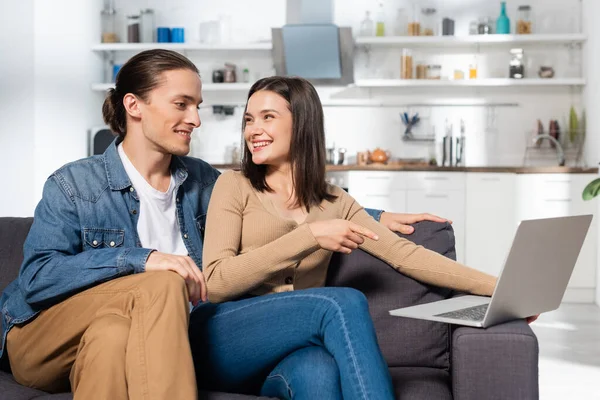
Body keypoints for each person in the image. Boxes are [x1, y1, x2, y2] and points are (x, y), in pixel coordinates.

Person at [0, 49, 448, 399]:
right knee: (163, 283)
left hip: (136, 335)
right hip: (47, 336)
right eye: (182, 104)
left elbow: (276, 200)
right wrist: (144, 260)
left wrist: (372, 216)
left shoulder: (202, 182)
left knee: (120, 334)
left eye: (197, 105)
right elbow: (38, 278)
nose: (195, 119)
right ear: (133, 106)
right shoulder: (77, 184)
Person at [198, 76, 514, 399]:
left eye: (268, 117)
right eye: (249, 119)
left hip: (288, 355)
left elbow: (406, 256)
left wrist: (502, 289)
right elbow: (216, 282)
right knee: (342, 301)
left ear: (303, 124)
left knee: (318, 373)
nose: (253, 130)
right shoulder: (233, 186)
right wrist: (309, 236)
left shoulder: (336, 202)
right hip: (228, 339)